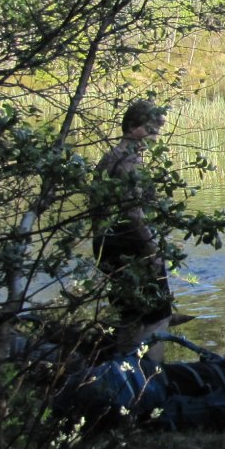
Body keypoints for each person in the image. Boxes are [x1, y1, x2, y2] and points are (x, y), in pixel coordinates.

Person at [92, 99, 174, 351]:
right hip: (130, 246)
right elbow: (134, 213)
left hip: (107, 244)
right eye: (150, 128)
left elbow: (97, 211)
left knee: (129, 316)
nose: (155, 134)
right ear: (131, 127)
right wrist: (153, 251)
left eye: (158, 129)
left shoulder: (109, 158)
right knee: (157, 316)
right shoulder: (129, 161)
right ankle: (149, 377)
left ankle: (123, 373)